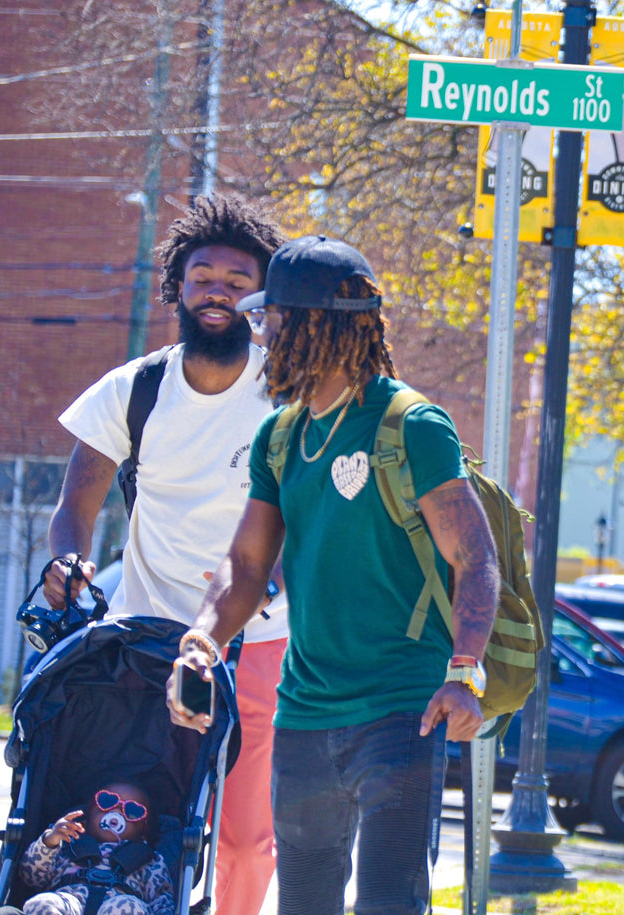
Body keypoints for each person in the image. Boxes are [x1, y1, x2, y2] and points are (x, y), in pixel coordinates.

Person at [166, 234, 499, 915]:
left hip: (402, 708)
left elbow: (476, 558)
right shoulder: (281, 436)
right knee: (306, 904)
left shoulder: (411, 425)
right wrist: (203, 637)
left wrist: (463, 670)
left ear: (311, 323)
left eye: (272, 317)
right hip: (306, 712)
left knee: (386, 902)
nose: (261, 333)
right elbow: (248, 564)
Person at [41, 192, 286, 915]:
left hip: (257, 641)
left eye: (238, 280)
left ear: (261, 298)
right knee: (145, 825)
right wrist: (67, 562)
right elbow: (72, 510)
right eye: (203, 275)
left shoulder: (286, 392)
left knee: (244, 841)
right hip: (142, 645)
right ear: (177, 288)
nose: (219, 290)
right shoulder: (135, 388)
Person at [17, 781, 175, 915]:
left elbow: (162, 899)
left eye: (133, 811)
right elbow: (31, 878)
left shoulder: (148, 860)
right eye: (107, 801)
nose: (117, 811)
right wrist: (49, 842)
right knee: (43, 902)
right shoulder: (67, 843)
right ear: (86, 818)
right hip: (70, 901)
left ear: (143, 832)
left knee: (129, 905)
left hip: (118, 904)